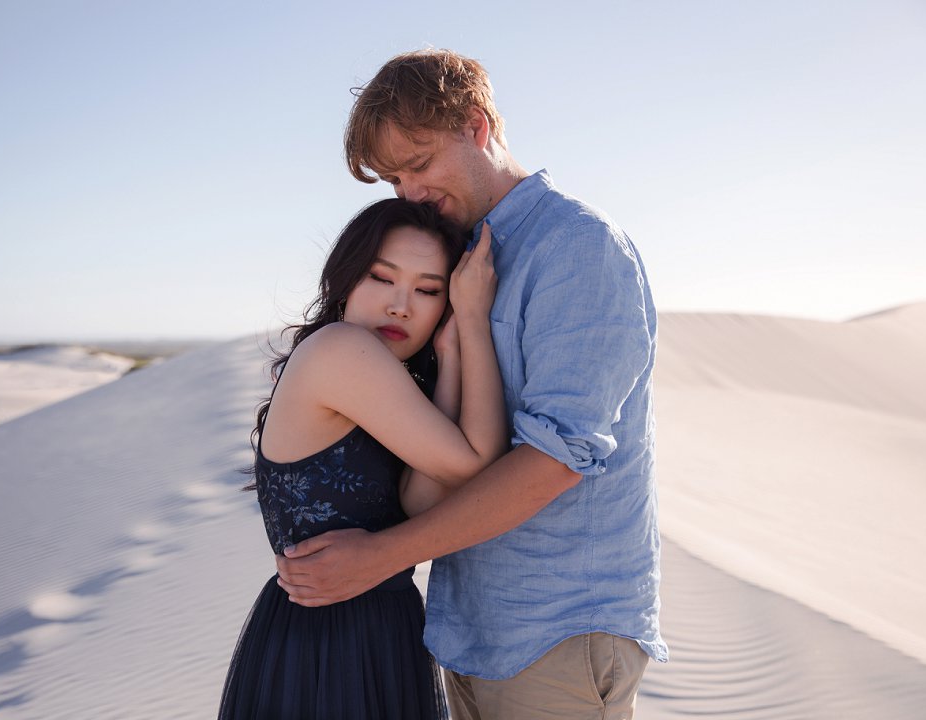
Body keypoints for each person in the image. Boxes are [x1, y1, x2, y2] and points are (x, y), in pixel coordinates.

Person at [277, 49, 668, 719]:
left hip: (559, 630)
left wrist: (380, 558)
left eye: (420, 164)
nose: (411, 194)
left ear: (478, 127)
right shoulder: (454, 253)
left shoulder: (577, 249)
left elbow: (555, 462)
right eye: (394, 180)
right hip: (469, 631)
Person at [218, 197, 506, 719]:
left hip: (381, 632)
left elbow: (424, 498)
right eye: (381, 277)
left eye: (428, 291)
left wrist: (453, 359)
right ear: (346, 279)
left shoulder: (388, 385)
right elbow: (474, 464)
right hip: (325, 647)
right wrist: (473, 321)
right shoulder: (340, 350)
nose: (401, 305)